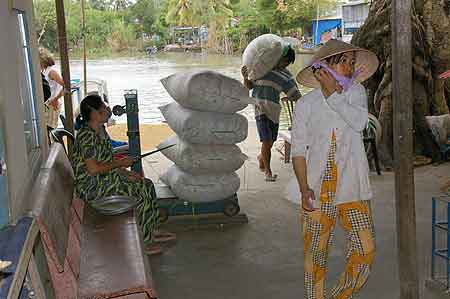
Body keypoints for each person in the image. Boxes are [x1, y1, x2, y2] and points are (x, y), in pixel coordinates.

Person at [291, 39, 379, 298]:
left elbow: (360, 123)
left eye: (352, 62)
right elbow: (297, 151)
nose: (350, 67)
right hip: (316, 191)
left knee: (366, 249)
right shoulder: (306, 105)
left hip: (353, 188)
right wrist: (303, 187)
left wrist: (333, 94)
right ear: (323, 68)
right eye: (343, 62)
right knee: (315, 255)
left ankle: (339, 295)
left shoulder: (356, 94)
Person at [72, 94, 175, 255]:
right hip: (93, 186)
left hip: (105, 178)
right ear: (94, 114)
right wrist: (121, 163)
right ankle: (145, 242)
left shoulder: (101, 130)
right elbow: (93, 169)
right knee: (139, 193)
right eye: (104, 108)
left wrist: (124, 173)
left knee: (146, 184)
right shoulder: (86, 136)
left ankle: (151, 228)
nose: (108, 110)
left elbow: (106, 161)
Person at [242, 45, 302, 181]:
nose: (285, 64)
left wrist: (309, 105)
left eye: (288, 63)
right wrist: (245, 77)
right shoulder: (260, 69)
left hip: (274, 111)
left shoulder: (286, 75)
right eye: (285, 61)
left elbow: (295, 94)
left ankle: (261, 157)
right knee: (266, 140)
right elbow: (249, 86)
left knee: (270, 142)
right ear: (277, 57)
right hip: (260, 109)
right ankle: (268, 172)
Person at [39, 48, 64, 129]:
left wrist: (56, 99)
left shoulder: (51, 72)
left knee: (50, 128)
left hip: (52, 104)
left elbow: (66, 86)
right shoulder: (43, 72)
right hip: (47, 104)